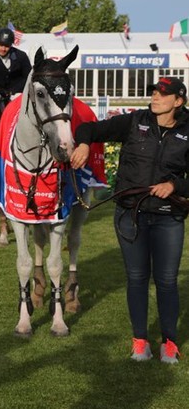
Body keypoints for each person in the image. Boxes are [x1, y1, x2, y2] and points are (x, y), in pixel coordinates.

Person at [70, 76, 189, 365]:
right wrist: (85, 144)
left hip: (168, 217)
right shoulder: (134, 121)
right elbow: (88, 128)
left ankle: (169, 343)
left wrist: (175, 186)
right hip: (129, 213)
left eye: (163, 94)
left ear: (179, 101)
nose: (155, 97)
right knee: (136, 278)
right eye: (154, 92)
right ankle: (140, 341)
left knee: (167, 280)